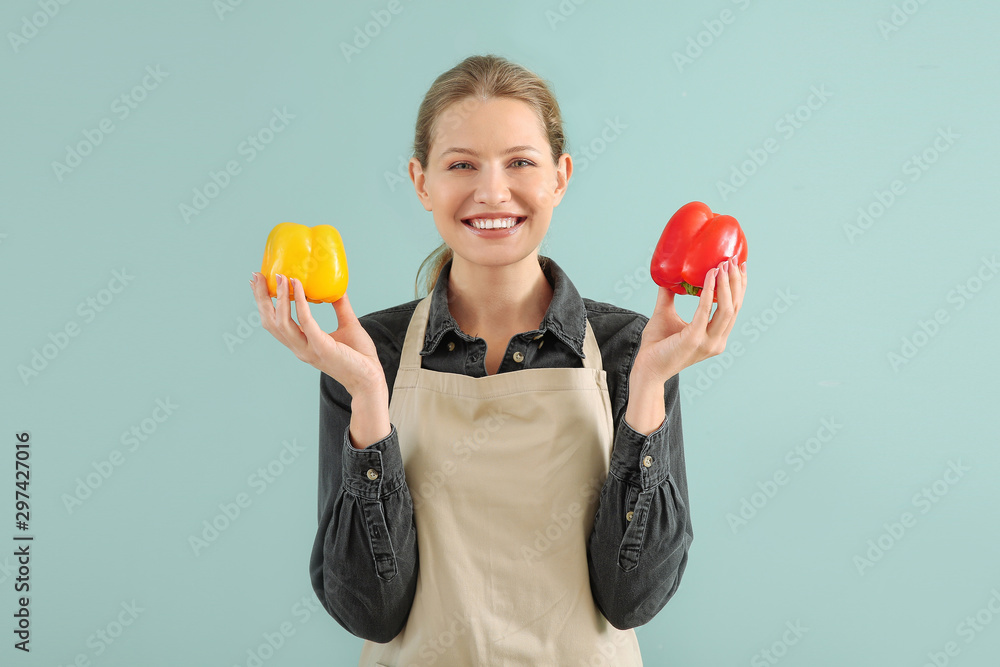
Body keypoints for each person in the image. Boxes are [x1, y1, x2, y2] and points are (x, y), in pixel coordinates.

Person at [250, 54, 747, 666]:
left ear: (560, 177)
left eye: (521, 163)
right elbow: (370, 612)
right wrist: (367, 399)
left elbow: (631, 599)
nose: (492, 191)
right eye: (461, 164)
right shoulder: (366, 355)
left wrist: (648, 385)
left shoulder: (628, 349)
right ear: (421, 180)